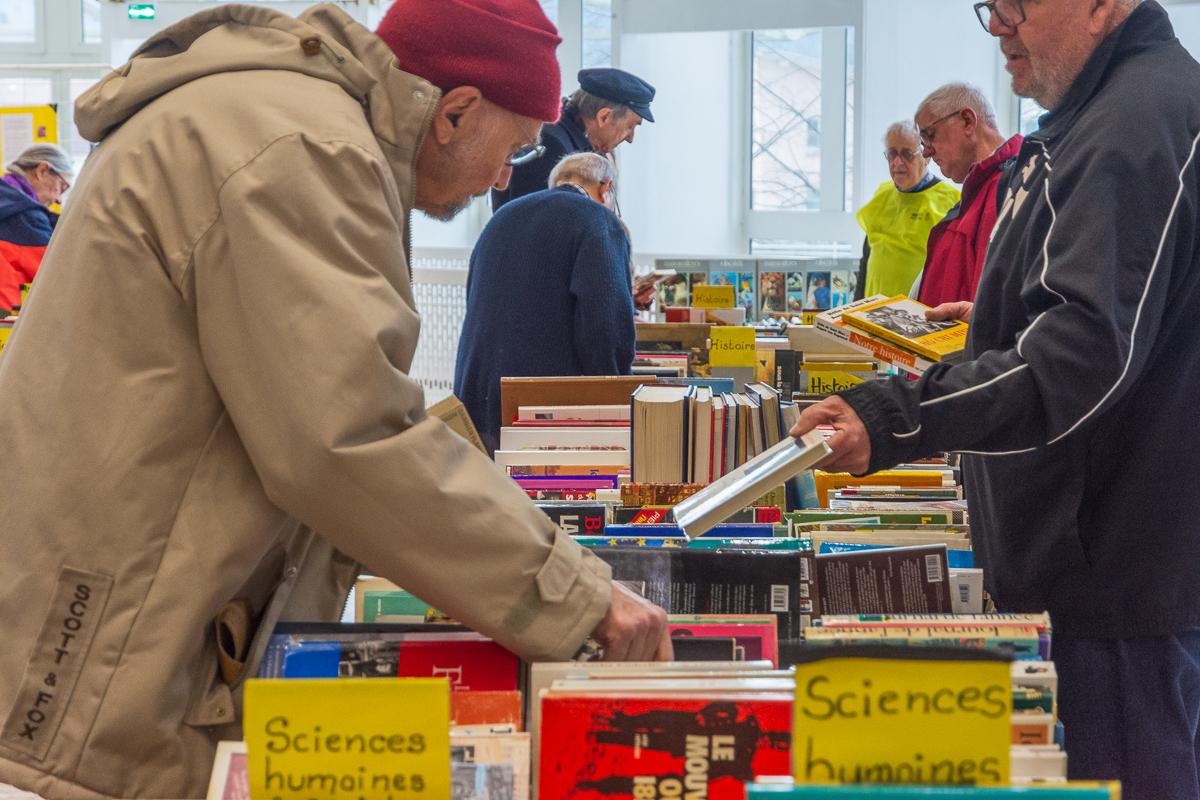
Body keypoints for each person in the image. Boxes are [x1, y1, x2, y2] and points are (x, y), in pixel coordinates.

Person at [0, 2, 671, 798]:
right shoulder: (303, 149)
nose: (506, 176)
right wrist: (576, 596)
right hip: (104, 649)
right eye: (515, 146)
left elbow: (317, 403)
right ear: (455, 112)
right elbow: (346, 440)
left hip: (121, 614)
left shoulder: (285, 123)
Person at [795, 1, 1200, 795]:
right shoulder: (1096, 114)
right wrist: (998, 315)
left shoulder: (1133, 122)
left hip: (1110, 582)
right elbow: (1126, 311)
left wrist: (895, 417)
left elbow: (1086, 353)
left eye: (1018, 3)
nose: (998, 26)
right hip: (1087, 569)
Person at [456, 152, 634, 453]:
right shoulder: (598, 220)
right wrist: (615, 403)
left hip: (475, 401)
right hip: (542, 415)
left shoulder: (502, 217)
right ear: (606, 189)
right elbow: (605, 328)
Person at [911, 83, 1023, 307]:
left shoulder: (1014, 188)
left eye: (930, 135)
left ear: (968, 121)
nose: (926, 152)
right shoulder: (978, 192)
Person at [490, 67, 654, 211]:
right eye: (630, 126)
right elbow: (535, 226)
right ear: (604, 117)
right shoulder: (550, 144)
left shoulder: (580, 144)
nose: (630, 138)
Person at [854, 121, 959, 299]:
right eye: (892, 153)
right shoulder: (881, 196)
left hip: (921, 311)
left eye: (907, 154)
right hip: (872, 310)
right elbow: (866, 261)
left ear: (926, 157)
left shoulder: (951, 201)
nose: (897, 162)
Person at [0, 143, 72, 313]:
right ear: (42, 171)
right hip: (8, 319)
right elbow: (56, 276)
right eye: (61, 188)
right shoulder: (26, 216)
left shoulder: (7, 201)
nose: (59, 200)